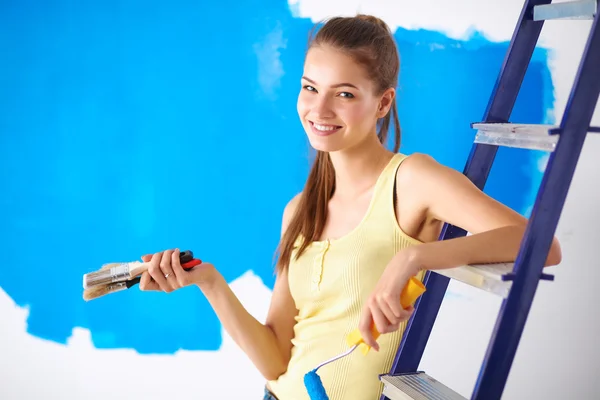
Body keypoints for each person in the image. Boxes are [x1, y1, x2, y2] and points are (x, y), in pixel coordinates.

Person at [137, 14, 562, 400]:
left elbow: (544, 246)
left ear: (382, 103)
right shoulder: (299, 210)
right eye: (309, 88)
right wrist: (210, 282)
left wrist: (414, 256)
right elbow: (274, 360)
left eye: (343, 94)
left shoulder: (411, 180)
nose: (319, 109)